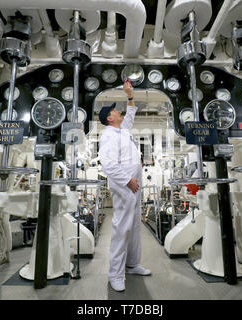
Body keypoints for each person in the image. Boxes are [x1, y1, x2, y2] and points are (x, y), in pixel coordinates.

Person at [98, 80, 151, 292]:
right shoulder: (108, 135)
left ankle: (132, 265)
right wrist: (128, 180)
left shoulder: (123, 131)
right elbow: (108, 164)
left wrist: (130, 95)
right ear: (110, 118)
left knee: (134, 226)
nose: (119, 113)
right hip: (125, 185)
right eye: (115, 111)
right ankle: (115, 275)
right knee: (122, 229)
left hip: (134, 186)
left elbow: (129, 117)